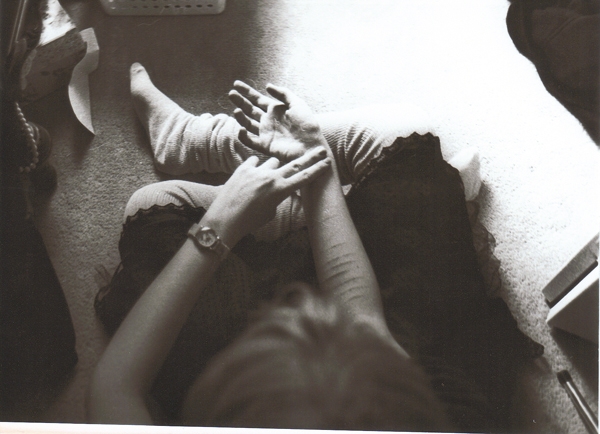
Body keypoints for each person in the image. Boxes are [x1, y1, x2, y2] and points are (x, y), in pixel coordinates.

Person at [88, 64, 543, 431]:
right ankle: (301, 198)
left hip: (312, 327)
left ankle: (203, 147)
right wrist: (315, 161)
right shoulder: (399, 411)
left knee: (151, 205)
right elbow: (365, 325)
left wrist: (219, 225)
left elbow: (113, 386)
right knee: (405, 131)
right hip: (425, 370)